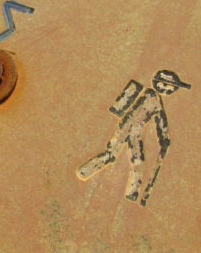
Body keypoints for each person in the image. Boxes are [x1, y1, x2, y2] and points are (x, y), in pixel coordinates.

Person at [77, 70, 190, 207]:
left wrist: (164, 137)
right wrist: (163, 136)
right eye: (172, 87)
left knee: (137, 159)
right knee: (112, 154)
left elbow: (161, 121)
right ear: (163, 85)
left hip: (136, 131)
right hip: (126, 126)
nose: (173, 90)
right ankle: (85, 170)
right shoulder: (148, 94)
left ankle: (133, 191)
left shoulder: (157, 102)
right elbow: (156, 119)